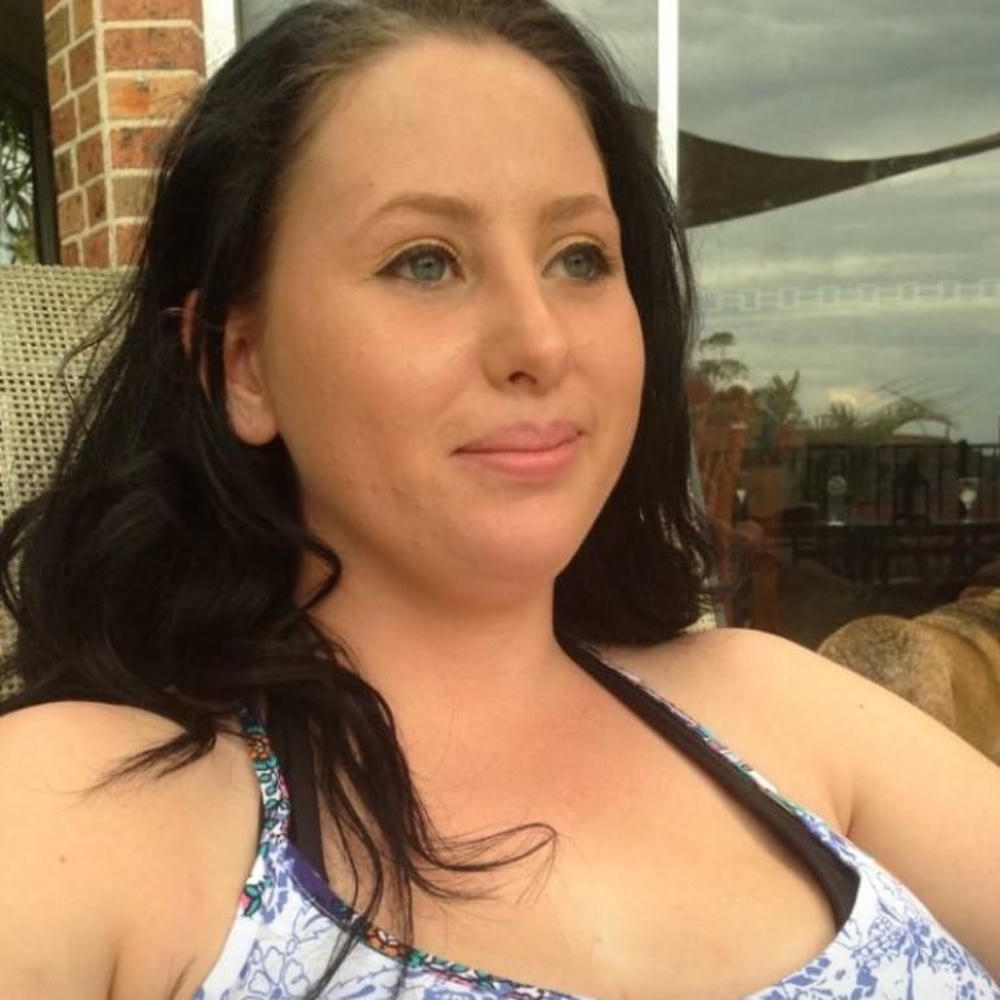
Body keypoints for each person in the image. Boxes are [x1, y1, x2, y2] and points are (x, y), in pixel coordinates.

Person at [0, 1, 998, 997]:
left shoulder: (774, 704)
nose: (540, 342)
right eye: (425, 261)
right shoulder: (79, 813)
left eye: (580, 258)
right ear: (242, 364)